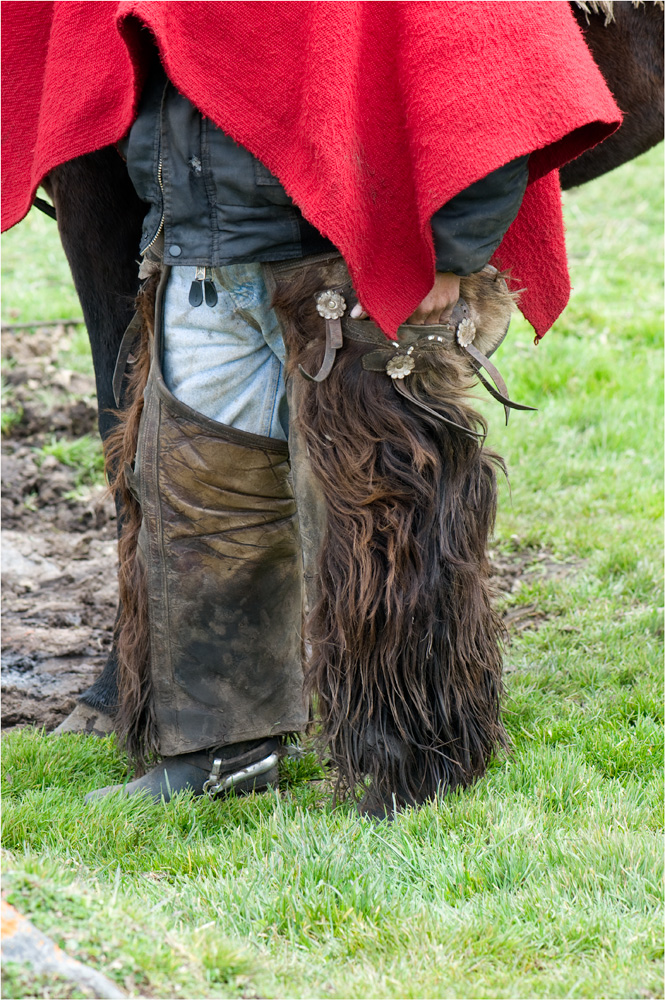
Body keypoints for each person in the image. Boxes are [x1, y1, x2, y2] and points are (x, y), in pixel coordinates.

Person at [2, 2, 621, 814]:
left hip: (350, 267)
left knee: (384, 515)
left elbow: (495, 65)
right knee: (199, 499)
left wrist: (456, 249)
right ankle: (220, 750)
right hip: (199, 257)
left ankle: (410, 757)